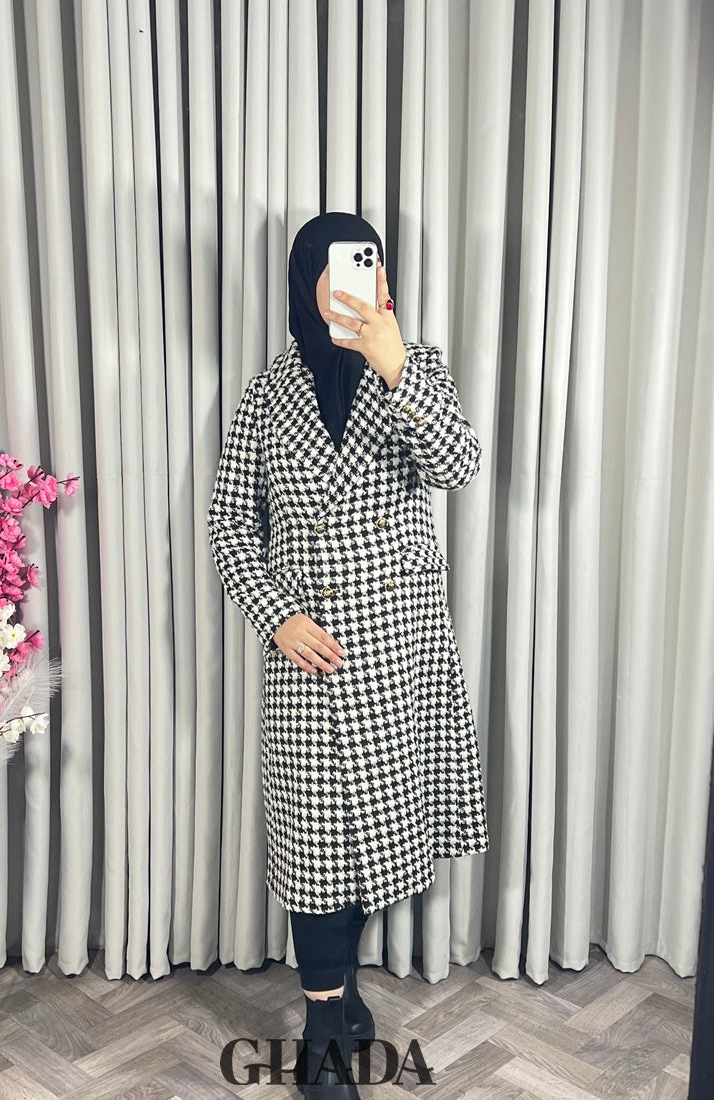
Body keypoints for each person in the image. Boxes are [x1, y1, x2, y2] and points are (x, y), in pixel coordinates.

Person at [207, 211, 489, 1096]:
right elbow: (229, 523)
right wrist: (276, 616)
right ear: (305, 281)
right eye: (337, 266)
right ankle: (324, 1028)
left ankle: (343, 987)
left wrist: (395, 366)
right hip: (308, 650)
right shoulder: (266, 393)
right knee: (315, 846)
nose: (358, 281)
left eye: (368, 264)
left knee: (373, 835)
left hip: (400, 649)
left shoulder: (415, 366)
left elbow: (458, 465)